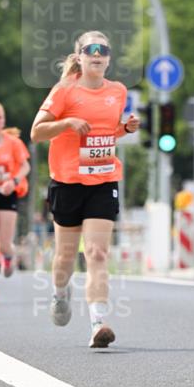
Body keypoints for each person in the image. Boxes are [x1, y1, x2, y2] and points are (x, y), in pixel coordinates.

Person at [30, 30, 139, 348]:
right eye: (90, 48)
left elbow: (103, 133)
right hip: (67, 183)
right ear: (78, 56)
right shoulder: (65, 90)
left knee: (97, 252)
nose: (97, 53)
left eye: (103, 48)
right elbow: (37, 132)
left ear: (108, 57)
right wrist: (66, 123)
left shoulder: (117, 91)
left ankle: (98, 323)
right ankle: (60, 293)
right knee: (65, 257)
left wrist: (124, 129)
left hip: (103, 181)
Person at [0, 104, 31, 302]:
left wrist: (13, 181)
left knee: (5, 243)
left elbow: (25, 166)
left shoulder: (13, 143)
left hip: (7, 194)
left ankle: (8, 257)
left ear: (4, 121)